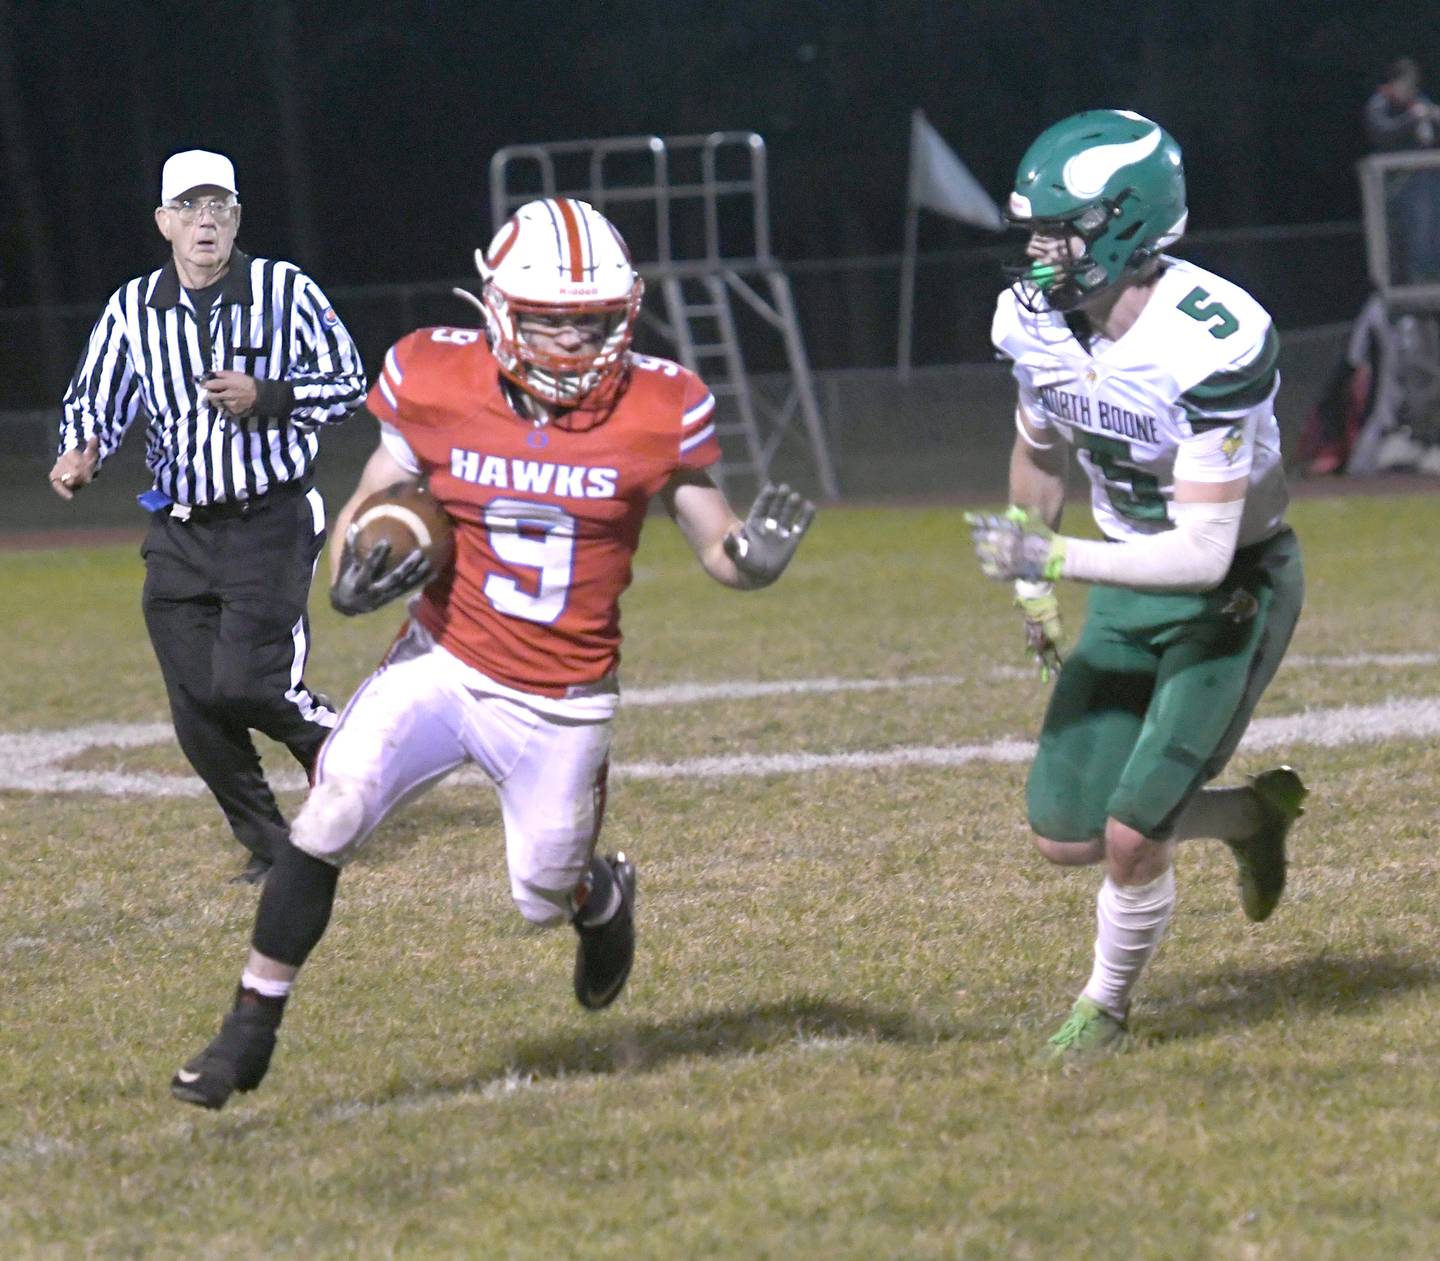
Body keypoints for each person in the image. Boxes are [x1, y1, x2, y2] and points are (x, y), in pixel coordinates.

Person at [169, 197, 816, 1109]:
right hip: (443, 659)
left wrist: (753, 562)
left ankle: (599, 896)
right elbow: (375, 495)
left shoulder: (658, 404)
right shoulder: (436, 377)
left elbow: (719, 542)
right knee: (330, 810)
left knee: (539, 894)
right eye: (550, 324)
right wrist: (358, 557)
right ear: (501, 309)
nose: (570, 346)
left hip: (562, 697)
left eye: (589, 325)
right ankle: (249, 1025)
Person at [966, 110, 1309, 1062]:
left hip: (1230, 587)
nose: (1038, 254)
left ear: (1125, 224)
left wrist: (1057, 562)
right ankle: (1251, 814)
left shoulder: (1212, 338)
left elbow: (1202, 551)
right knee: (1066, 836)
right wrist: (1035, 576)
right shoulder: (1031, 321)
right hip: (1127, 577)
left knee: (1129, 835)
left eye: (1058, 232)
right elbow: (1038, 449)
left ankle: (1104, 1011)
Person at [52, 149, 366, 883]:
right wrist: (82, 450)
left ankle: (358, 758)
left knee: (250, 683)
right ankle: (271, 845)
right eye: (189, 208)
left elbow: (350, 382)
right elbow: (95, 399)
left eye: (218, 207)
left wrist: (271, 394)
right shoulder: (132, 308)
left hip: (270, 516)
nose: (205, 222)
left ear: (236, 219)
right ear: (164, 222)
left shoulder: (282, 288)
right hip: (180, 530)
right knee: (196, 704)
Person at [1363, 57, 1440, 283]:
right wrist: (1411, 119)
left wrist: (1433, 118)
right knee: (1393, 244)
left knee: (1426, 236)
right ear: (1394, 83)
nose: (1410, 91)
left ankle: (1425, 284)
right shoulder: (1379, 104)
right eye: (1406, 85)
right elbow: (1382, 133)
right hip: (1390, 188)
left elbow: (1429, 140)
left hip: (1421, 187)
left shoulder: (1419, 102)